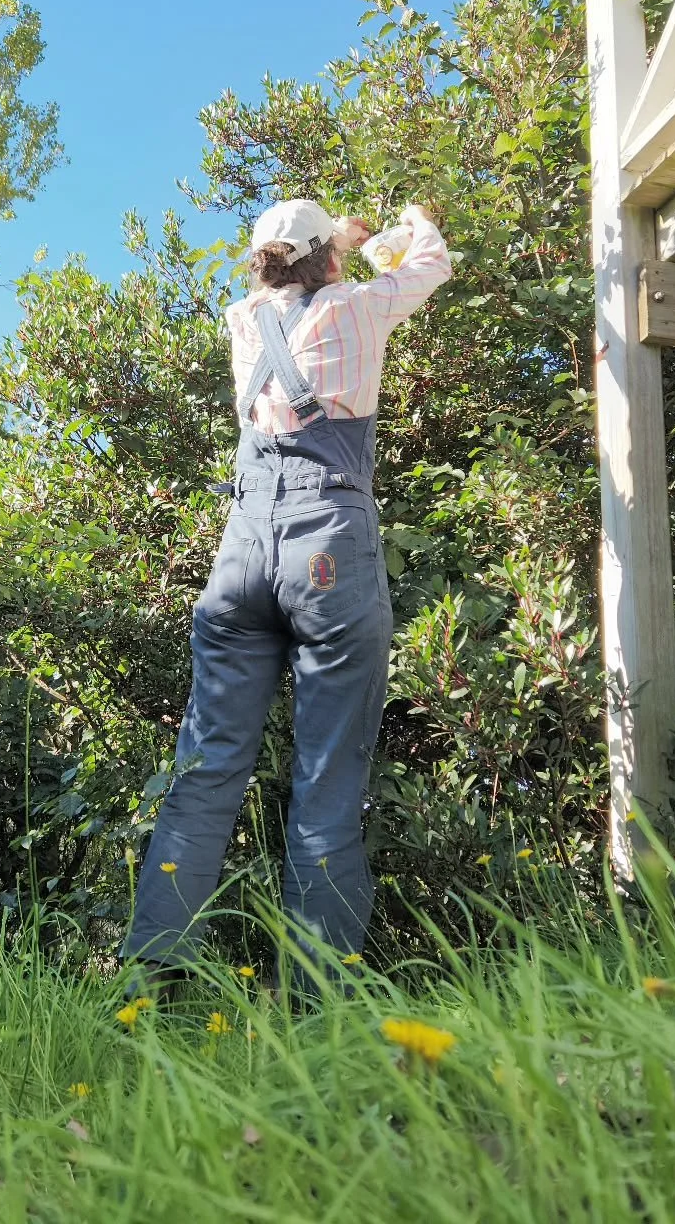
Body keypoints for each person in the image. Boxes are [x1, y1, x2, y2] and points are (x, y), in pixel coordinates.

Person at [123, 198, 452, 989]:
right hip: (326, 543)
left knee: (203, 779)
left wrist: (336, 241)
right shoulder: (357, 308)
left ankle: (147, 986)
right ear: (327, 258)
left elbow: (294, 275)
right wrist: (403, 226)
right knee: (326, 783)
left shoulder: (243, 320)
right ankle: (319, 1006)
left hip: (240, 553)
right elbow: (429, 265)